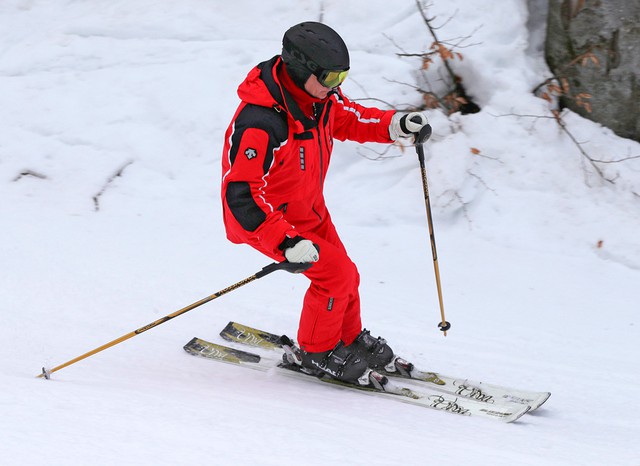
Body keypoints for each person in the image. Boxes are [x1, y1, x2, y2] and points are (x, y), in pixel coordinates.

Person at [221, 22, 429, 385]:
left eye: (343, 76)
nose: (337, 86)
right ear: (301, 70)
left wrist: (396, 125)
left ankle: (346, 338)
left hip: (309, 209)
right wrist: (284, 242)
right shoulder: (262, 122)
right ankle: (317, 351)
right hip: (268, 221)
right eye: (330, 76)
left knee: (348, 273)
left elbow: (350, 118)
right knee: (335, 277)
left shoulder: (320, 99)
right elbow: (239, 195)